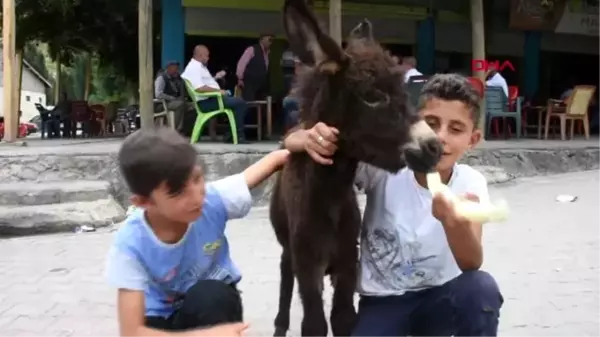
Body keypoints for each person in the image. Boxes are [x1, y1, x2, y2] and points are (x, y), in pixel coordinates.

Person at [282, 74, 503, 337]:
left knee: (480, 288)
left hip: (440, 299)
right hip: (384, 301)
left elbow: (471, 262)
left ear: (473, 139)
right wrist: (301, 138)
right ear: (412, 124)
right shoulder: (385, 168)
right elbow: (324, 142)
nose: (440, 137)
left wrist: (452, 223)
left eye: (455, 129)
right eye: (431, 123)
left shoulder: (470, 183)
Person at [105, 127, 289, 336]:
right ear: (144, 202)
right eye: (178, 192)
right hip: (159, 321)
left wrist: (294, 144)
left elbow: (263, 168)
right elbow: (131, 332)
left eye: (197, 179)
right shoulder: (131, 244)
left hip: (207, 308)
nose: (196, 196)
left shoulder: (212, 200)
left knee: (213, 295)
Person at [182, 45, 249, 143]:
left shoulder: (199, 67)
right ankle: (237, 136)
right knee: (240, 103)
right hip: (207, 103)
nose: (208, 58)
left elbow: (204, 84)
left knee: (237, 102)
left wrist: (216, 78)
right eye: (207, 56)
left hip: (211, 99)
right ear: (200, 55)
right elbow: (199, 88)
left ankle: (231, 135)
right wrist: (218, 91)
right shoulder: (194, 68)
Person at [155, 60, 195, 133]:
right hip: (163, 104)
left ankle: (185, 132)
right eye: (175, 69)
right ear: (169, 68)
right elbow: (158, 94)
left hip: (175, 102)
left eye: (177, 68)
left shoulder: (177, 78)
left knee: (194, 107)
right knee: (180, 105)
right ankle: (173, 131)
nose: (177, 70)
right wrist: (173, 98)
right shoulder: (162, 78)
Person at [236, 33, 273, 101]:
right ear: (262, 39)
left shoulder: (268, 53)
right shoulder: (252, 49)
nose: (270, 42)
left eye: (271, 40)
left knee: (261, 104)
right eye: (269, 40)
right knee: (249, 103)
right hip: (250, 83)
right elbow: (241, 64)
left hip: (261, 84)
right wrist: (240, 78)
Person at [281, 57, 303, 129]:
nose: (296, 67)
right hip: (295, 99)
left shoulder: (307, 76)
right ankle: (288, 131)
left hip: (304, 99)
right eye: (295, 65)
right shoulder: (294, 78)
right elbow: (292, 91)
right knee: (289, 108)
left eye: (298, 65)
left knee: (287, 101)